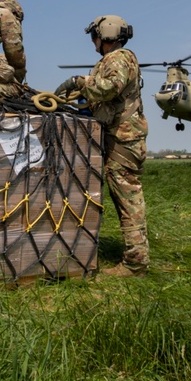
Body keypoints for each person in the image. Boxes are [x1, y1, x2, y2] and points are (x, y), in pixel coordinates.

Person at [54, 15, 150, 277]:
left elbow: (111, 87)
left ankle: (136, 263)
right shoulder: (112, 60)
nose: (93, 41)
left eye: (95, 35)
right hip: (118, 137)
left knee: (128, 200)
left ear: (104, 34)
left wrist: (80, 83)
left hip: (123, 139)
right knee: (123, 198)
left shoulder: (118, 58)